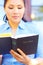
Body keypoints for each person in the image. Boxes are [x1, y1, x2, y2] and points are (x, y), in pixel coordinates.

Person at [0, 0, 43, 65]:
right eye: (11, 8)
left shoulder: (34, 30)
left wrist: (30, 62)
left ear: (24, 9)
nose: (15, 12)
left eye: (19, 8)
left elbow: (41, 58)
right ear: (4, 9)